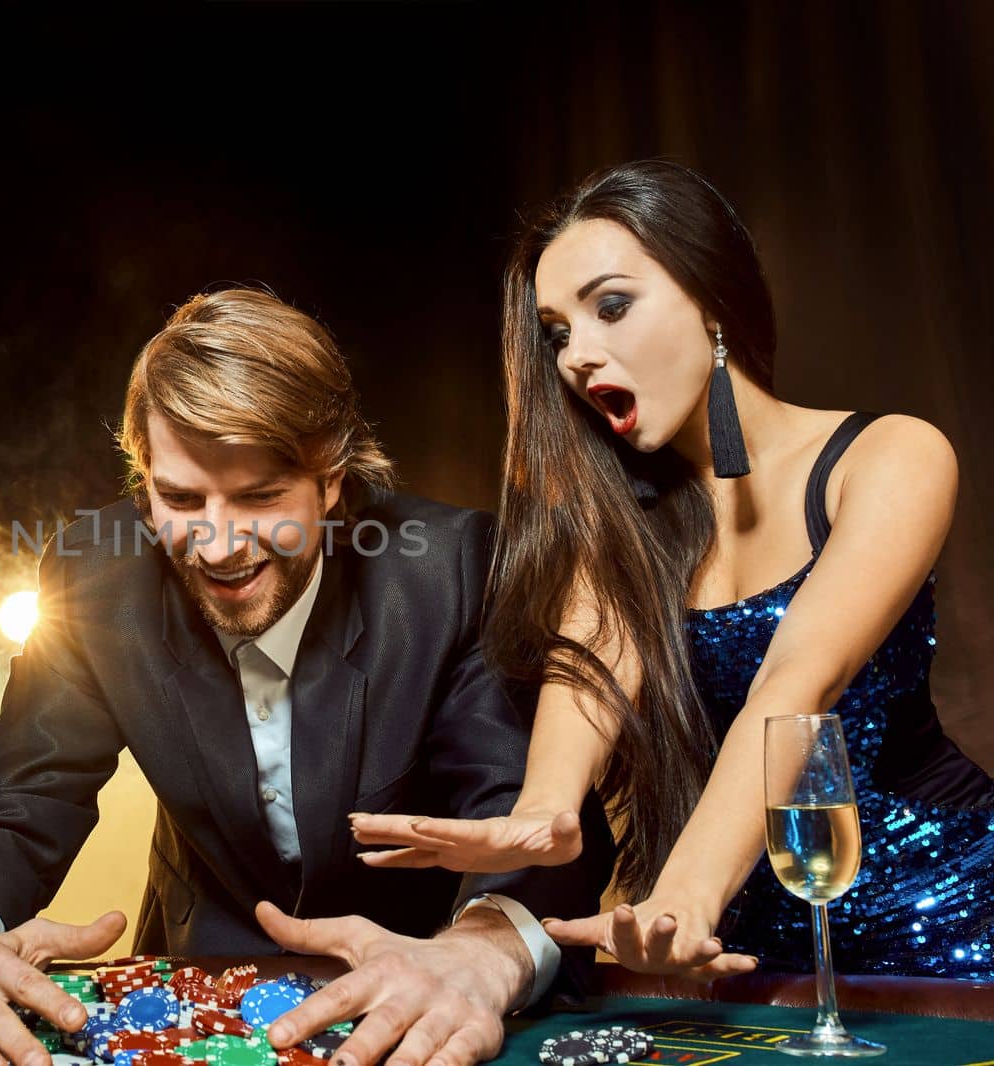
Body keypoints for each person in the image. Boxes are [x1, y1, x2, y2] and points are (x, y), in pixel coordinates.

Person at [0, 288, 614, 1066]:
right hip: (198, 987)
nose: (215, 544)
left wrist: (481, 953)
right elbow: (17, 801)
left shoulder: (457, 569)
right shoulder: (94, 572)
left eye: (260, 497)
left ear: (332, 480)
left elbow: (523, 815)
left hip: (425, 1000)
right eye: (178, 498)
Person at [352, 160, 994, 981]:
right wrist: (542, 818)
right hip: (763, 951)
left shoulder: (887, 455)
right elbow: (585, 679)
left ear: (711, 297)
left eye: (611, 307)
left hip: (953, 917)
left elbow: (796, 685)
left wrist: (685, 891)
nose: (577, 357)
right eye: (557, 333)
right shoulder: (623, 527)